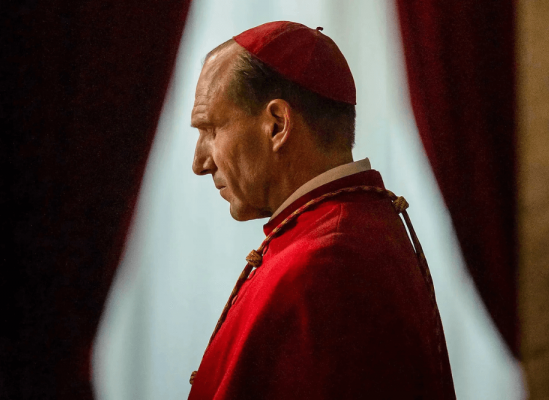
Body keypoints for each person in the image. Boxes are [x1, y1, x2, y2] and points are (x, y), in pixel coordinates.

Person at [188, 21, 456, 399]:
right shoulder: (357, 225)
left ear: (277, 124)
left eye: (211, 129)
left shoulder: (323, 264)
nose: (199, 163)